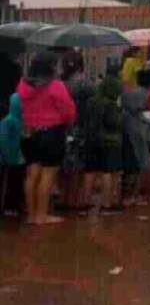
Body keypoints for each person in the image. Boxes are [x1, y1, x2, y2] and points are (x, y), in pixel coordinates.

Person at [17, 52, 77, 224]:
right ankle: (42, 215)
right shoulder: (55, 86)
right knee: (47, 175)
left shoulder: (23, 84)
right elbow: (68, 112)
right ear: (51, 66)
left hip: (29, 133)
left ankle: (31, 213)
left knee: (31, 174)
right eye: (56, 64)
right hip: (51, 133)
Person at [83, 76, 125, 215]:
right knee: (108, 171)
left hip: (91, 140)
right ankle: (107, 204)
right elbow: (115, 123)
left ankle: (85, 202)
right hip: (109, 141)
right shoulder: (111, 105)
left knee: (90, 171)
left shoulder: (90, 102)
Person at [59, 51, 94, 211]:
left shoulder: (60, 82)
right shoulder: (85, 83)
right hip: (80, 128)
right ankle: (74, 200)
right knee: (77, 167)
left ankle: (63, 197)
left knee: (64, 167)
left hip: (61, 128)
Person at [121, 69, 150, 206]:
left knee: (129, 164)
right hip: (141, 131)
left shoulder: (127, 94)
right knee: (142, 163)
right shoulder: (149, 95)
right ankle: (136, 194)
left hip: (127, 129)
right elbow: (147, 114)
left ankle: (125, 194)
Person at [0, 93, 25, 215]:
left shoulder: (11, 120)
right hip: (12, 158)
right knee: (12, 182)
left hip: (12, 158)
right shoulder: (11, 121)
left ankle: (10, 206)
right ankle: (10, 207)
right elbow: (4, 140)